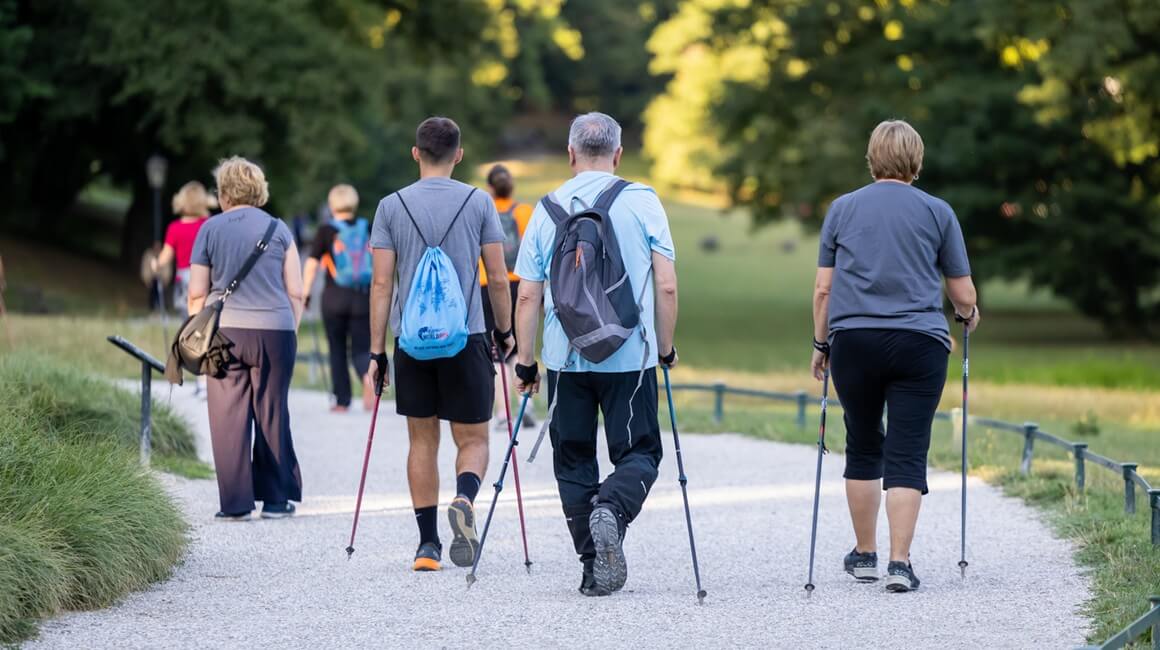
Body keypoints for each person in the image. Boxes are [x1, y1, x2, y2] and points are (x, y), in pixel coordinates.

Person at [513, 112, 679, 597]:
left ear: (570, 154)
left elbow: (528, 295)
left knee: (573, 458)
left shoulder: (547, 208)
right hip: (629, 354)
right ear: (618, 154)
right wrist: (665, 348)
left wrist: (527, 362)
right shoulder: (643, 200)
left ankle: (592, 565)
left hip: (566, 358)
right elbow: (666, 285)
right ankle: (612, 509)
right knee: (640, 451)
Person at [811, 119, 980, 593]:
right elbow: (963, 293)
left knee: (864, 443)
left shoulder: (842, 209)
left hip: (855, 341)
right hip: (920, 344)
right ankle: (900, 564)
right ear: (916, 161)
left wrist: (821, 345)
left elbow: (824, 290)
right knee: (907, 450)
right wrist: (968, 314)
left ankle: (864, 554)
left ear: (872, 159)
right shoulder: (938, 211)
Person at [366, 117, 514, 572]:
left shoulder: (390, 206)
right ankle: (464, 497)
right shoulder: (479, 201)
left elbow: (382, 284)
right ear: (459, 155)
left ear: (416, 153)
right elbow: (497, 277)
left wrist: (377, 352)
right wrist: (505, 332)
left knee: (422, 440)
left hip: (412, 342)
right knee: (473, 438)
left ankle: (427, 546)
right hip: (466, 336)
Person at [188, 156, 306, 521]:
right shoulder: (279, 229)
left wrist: (196, 332)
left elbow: (196, 292)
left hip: (225, 331)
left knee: (227, 416)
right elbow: (296, 291)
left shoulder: (209, 229)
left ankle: (236, 504)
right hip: (276, 331)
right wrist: (290, 329)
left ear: (224, 193)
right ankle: (275, 501)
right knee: (272, 412)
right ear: (259, 191)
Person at [302, 184, 373, 412]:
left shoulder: (326, 230)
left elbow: (312, 265)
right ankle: (367, 377)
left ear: (332, 205)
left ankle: (342, 402)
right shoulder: (366, 227)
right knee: (362, 348)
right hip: (362, 297)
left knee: (337, 348)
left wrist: (305, 293)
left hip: (334, 298)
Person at [478, 163, 535, 431]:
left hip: (487, 284)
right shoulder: (524, 211)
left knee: (497, 353)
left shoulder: (482, 211)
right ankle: (526, 404)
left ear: (490, 187)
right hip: (519, 283)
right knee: (521, 347)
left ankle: (503, 413)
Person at [156, 181, 211, 318]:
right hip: (205, 275)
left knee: (186, 317)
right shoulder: (207, 224)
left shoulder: (175, 228)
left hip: (184, 278)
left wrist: (156, 264)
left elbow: (166, 256)